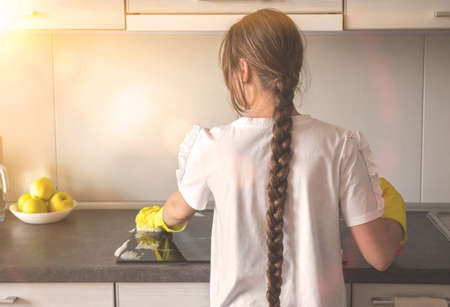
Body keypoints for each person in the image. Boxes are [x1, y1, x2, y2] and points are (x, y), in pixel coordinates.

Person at [135, 8, 407, 307]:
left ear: (244, 69)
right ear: (295, 68)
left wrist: (158, 219)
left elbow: (177, 209)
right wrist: (394, 210)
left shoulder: (212, 145)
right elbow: (379, 256)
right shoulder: (340, 144)